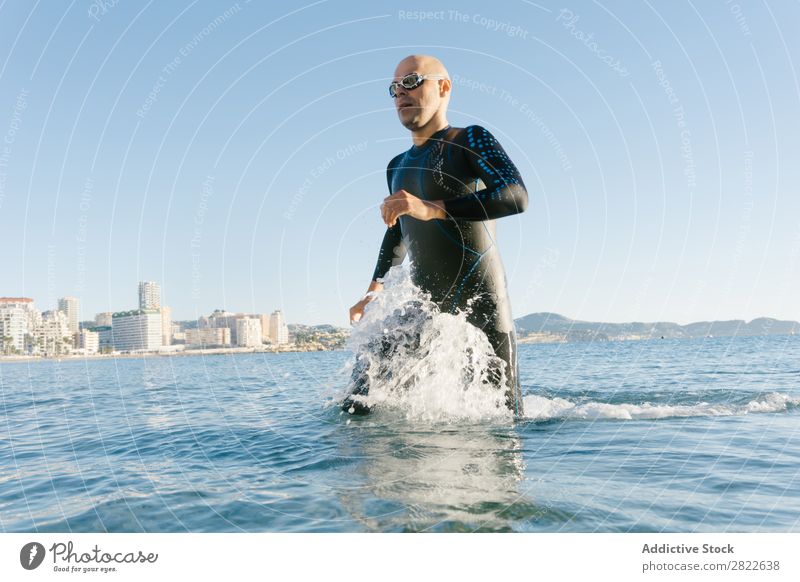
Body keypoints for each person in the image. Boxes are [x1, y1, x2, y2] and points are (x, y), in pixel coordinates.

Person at [348, 54, 528, 416]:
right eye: (394, 87)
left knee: (504, 420)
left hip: (482, 311)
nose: (401, 93)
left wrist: (434, 208)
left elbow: (514, 195)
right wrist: (372, 292)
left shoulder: (470, 139)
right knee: (358, 404)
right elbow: (397, 231)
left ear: (443, 87)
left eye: (412, 82)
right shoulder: (396, 166)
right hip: (426, 310)